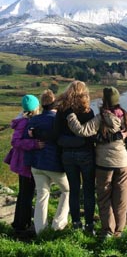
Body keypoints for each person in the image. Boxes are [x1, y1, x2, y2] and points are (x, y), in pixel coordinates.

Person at [66, 86, 127, 238]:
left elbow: (82, 131)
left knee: (104, 198)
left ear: (104, 101)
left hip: (103, 164)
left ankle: (107, 231)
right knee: (121, 199)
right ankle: (119, 231)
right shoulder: (126, 117)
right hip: (123, 163)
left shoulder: (101, 118)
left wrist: (70, 117)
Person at [52, 81, 96, 233]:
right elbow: (91, 135)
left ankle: (76, 224)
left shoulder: (62, 110)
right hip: (86, 154)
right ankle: (90, 226)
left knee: (74, 190)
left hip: (67, 155)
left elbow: (56, 134)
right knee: (89, 190)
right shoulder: (87, 111)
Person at [25, 89, 70, 234]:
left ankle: (40, 230)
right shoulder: (57, 119)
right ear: (54, 103)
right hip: (54, 164)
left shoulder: (34, 120)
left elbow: (28, 137)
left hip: (37, 164)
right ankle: (58, 224)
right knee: (68, 190)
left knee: (42, 196)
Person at [4, 94, 44, 235]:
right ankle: (23, 225)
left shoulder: (25, 120)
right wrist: (34, 144)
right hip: (24, 163)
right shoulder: (23, 123)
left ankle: (19, 222)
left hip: (24, 162)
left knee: (24, 193)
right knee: (26, 194)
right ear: (35, 108)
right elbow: (15, 142)